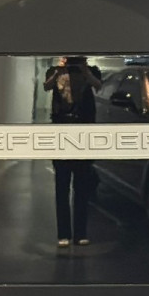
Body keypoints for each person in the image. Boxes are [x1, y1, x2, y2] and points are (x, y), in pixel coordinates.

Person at [43, 56, 102, 248]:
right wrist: (58, 72)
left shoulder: (91, 70)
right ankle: (63, 234)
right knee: (61, 185)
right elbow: (46, 86)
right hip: (61, 130)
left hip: (83, 131)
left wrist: (85, 71)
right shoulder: (55, 71)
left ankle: (80, 233)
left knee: (82, 186)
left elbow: (98, 85)